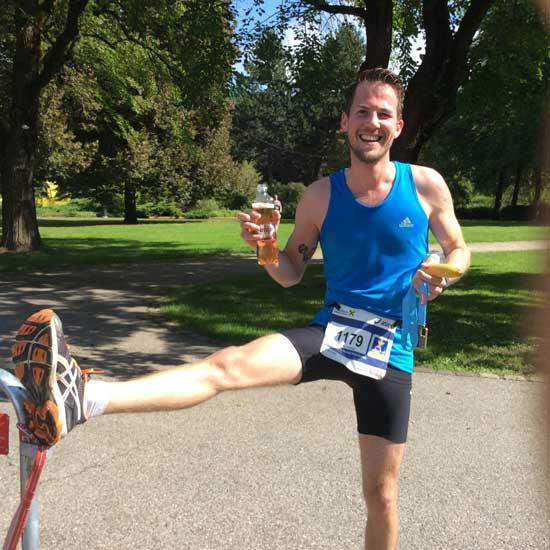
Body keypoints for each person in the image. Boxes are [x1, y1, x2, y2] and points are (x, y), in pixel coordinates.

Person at [12, 68, 470, 550]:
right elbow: (291, 271)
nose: (371, 122)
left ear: (398, 126)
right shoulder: (320, 196)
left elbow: (458, 250)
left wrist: (444, 273)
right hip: (334, 332)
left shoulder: (425, 186)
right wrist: (265, 249)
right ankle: (85, 398)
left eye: (383, 114)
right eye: (362, 111)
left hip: (391, 350)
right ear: (344, 121)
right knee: (226, 364)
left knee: (381, 496)